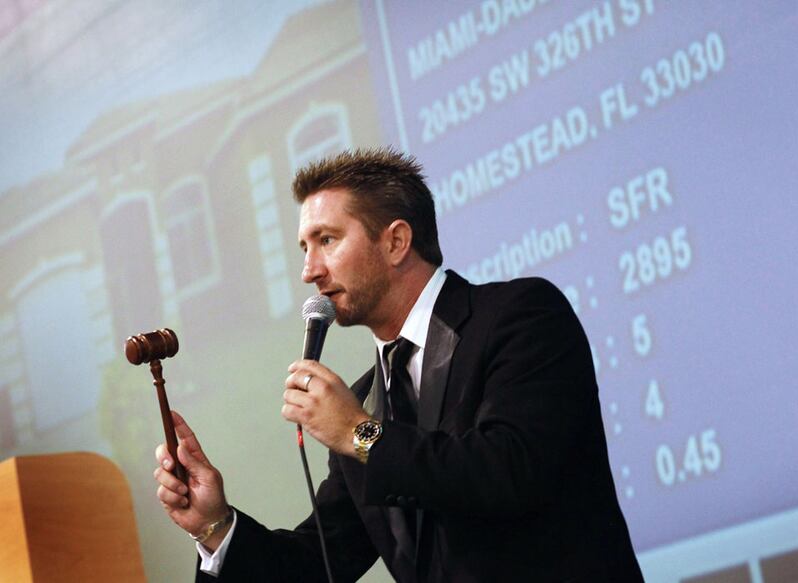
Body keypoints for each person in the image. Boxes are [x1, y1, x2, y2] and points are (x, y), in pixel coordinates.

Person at [154, 148, 644, 582]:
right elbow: (320, 562)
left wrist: (359, 434)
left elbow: (509, 470)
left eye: (327, 240)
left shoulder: (520, 316)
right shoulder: (365, 400)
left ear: (395, 242)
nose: (309, 271)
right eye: (305, 248)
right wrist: (215, 526)